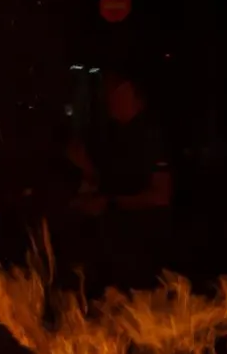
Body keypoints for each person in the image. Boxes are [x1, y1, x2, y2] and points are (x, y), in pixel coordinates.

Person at [66, 72, 174, 294]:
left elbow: (161, 196)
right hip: (112, 250)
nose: (107, 99)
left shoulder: (152, 134)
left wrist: (110, 203)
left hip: (142, 253)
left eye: (112, 92)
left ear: (128, 91)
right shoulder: (114, 134)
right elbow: (106, 183)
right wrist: (87, 169)